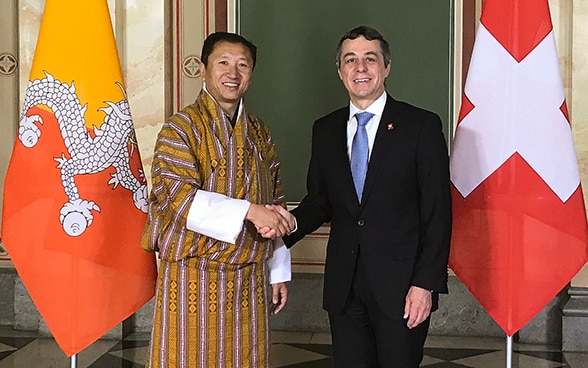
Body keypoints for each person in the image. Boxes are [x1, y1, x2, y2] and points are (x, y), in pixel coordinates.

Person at [269, 25, 452, 367]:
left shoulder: (421, 126)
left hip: (402, 289)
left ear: (386, 67)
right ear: (340, 72)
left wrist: (425, 284)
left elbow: (437, 213)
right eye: (350, 60)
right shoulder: (324, 129)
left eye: (370, 59)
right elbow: (319, 200)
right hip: (344, 288)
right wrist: (286, 224)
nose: (361, 68)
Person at [141, 31, 293, 368]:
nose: (233, 73)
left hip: (249, 276)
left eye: (243, 65)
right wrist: (250, 211)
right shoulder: (180, 128)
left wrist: (278, 269)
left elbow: (275, 199)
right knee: (187, 359)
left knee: (246, 359)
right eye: (223, 62)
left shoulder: (259, 131)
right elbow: (180, 200)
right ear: (202, 68)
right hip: (193, 275)